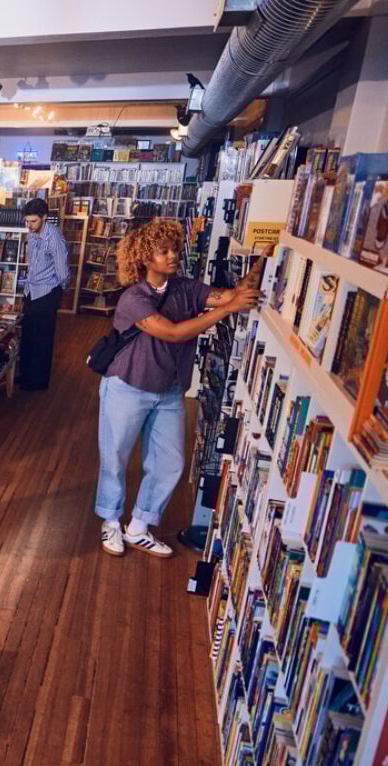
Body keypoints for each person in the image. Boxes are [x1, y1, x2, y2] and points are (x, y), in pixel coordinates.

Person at [95, 218, 260, 558]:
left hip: (169, 388)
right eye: (163, 252)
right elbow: (172, 332)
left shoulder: (187, 288)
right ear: (145, 258)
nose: (173, 256)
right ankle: (110, 521)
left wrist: (262, 264)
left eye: (175, 249)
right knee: (115, 457)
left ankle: (139, 525)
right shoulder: (133, 298)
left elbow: (228, 296)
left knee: (170, 460)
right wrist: (228, 308)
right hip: (128, 385)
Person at [20, 197, 71, 391]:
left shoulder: (55, 238)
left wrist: (58, 291)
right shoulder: (32, 234)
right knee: (28, 337)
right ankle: (25, 376)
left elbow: (63, 272)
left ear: (44, 217)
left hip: (47, 293)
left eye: (33, 221)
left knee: (42, 340)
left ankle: (38, 381)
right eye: (27, 221)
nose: (29, 225)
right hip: (31, 291)